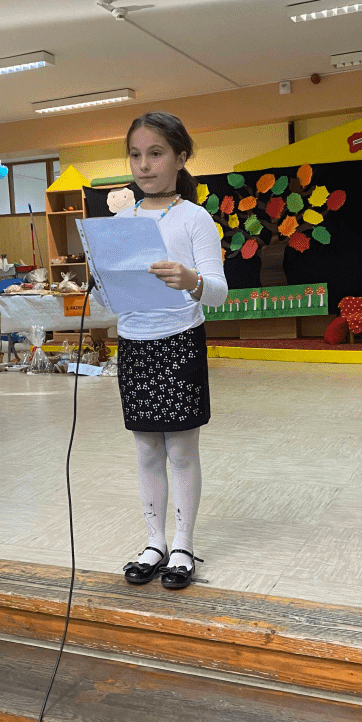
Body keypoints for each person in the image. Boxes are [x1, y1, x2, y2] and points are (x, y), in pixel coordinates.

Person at [113, 112, 228, 590]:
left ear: (181, 158)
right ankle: (154, 542)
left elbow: (219, 292)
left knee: (180, 449)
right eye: (136, 155)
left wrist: (191, 280)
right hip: (133, 344)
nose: (144, 165)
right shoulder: (120, 222)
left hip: (179, 340)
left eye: (156, 153)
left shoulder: (195, 218)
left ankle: (182, 544)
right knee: (145, 448)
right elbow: (113, 295)